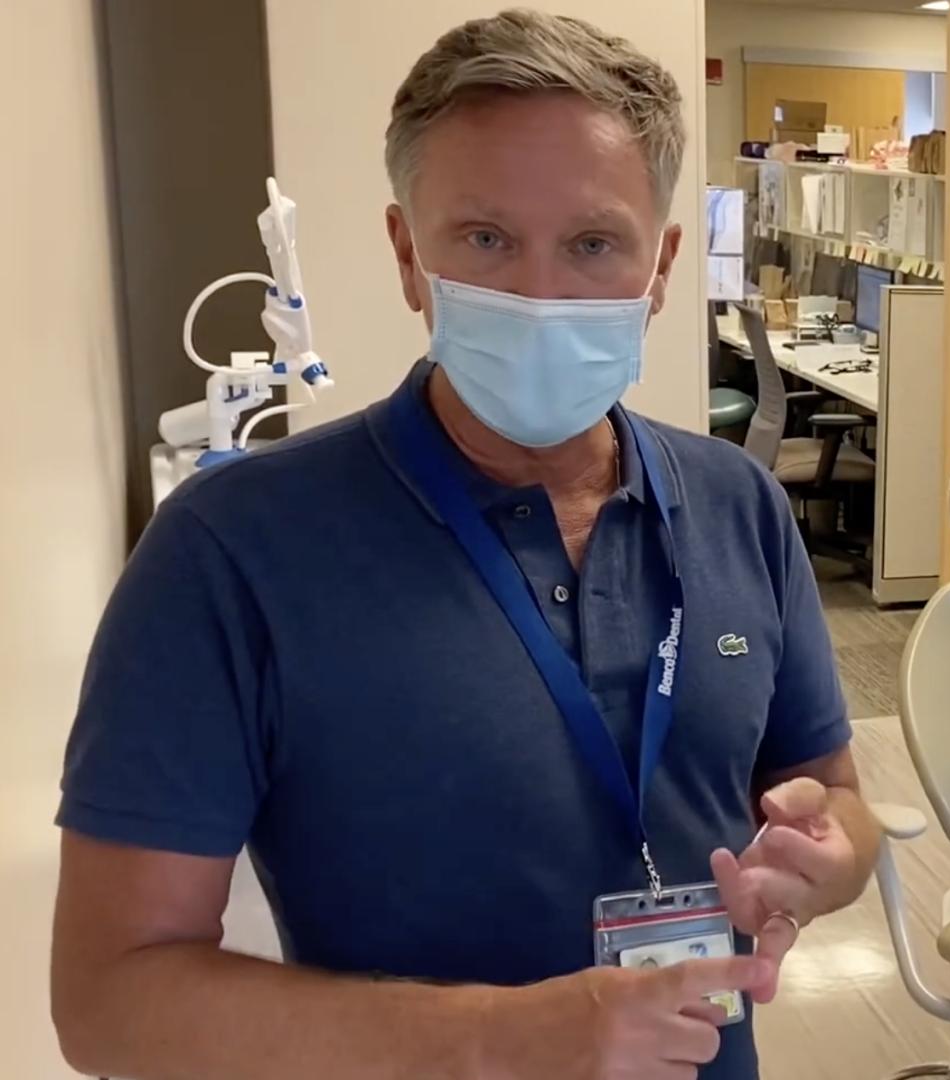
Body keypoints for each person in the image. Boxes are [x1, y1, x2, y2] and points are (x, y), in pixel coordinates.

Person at [50, 10, 878, 1079]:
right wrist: (505, 1038)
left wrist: (831, 856)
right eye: (486, 240)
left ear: (662, 265)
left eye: (592, 244)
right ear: (409, 254)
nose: (538, 295)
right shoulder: (231, 554)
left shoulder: (738, 507)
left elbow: (836, 794)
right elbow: (113, 999)